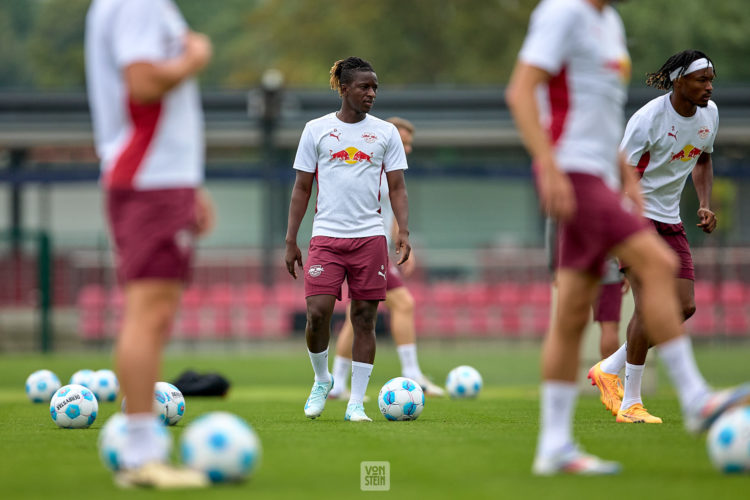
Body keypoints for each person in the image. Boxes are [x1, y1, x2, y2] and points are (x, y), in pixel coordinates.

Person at [506, 0, 750, 476]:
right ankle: (697, 399)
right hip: (575, 174)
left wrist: (622, 174)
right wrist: (549, 164)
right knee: (658, 266)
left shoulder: (609, 22)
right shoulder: (563, 13)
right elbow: (521, 92)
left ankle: (554, 445)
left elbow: (600, 120)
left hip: (600, 173)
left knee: (573, 312)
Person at [85, 0, 214, 488]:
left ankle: (141, 448)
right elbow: (142, 85)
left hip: (162, 178)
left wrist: (190, 185)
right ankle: (142, 454)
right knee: (149, 313)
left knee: (153, 314)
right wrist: (196, 57)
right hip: (150, 178)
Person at [589, 50, 720, 424]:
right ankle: (631, 403)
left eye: (711, 79)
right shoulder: (648, 119)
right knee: (649, 309)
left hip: (670, 221)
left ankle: (609, 368)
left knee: (683, 307)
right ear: (679, 81)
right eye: (701, 79)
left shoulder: (709, 116)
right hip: (635, 219)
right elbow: (618, 175)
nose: (709, 87)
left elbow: (704, 159)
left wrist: (705, 203)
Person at [285, 57, 411, 423]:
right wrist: (291, 239)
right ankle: (322, 379)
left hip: (370, 239)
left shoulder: (385, 133)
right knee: (318, 313)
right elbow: (302, 187)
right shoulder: (316, 130)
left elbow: (398, 187)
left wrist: (403, 230)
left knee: (365, 318)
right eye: (364, 87)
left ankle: (356, 402)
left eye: (375, 87)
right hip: (326, 236)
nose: (371, 93)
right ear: (344, 88)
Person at [329, 117, 445, 400]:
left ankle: (337, 384)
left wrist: (404, 241)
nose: (407, 148)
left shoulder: (388, 170)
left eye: (409, 144)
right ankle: (411, 372)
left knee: (356, 317)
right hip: (364, 248)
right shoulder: (367, 167)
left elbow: (388, 211)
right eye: (403, 142)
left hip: (373, 249)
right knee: (403, 303)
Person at [546, 221, 628, 361]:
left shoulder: (563, 198)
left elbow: (552, 232)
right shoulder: (609, 197)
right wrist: (625, 266)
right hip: (606, 267)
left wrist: (554, 268)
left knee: (567, 330)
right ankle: (609, 381)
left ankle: (563, 382)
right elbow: (620, 229)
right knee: (610, 327)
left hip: (573, 269)